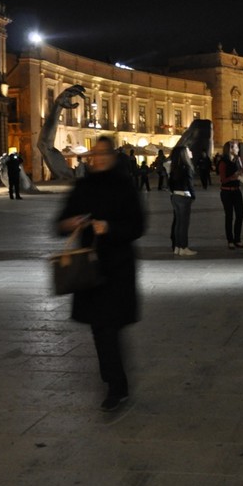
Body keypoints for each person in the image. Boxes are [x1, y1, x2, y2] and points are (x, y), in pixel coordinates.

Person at [57, 136, 146, 412]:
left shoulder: (125, 186)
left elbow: (138, 226)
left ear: (113, 156)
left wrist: (109, 228)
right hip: (89, 270)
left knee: (109, 328)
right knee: (101, 329)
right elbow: (59, 223)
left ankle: (116, 384)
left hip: (118, 267)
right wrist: (69, 222)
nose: (98, 158)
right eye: (95, 154)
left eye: (104, 153)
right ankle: (114, 382)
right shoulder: (82, 186)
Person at [218, 140, 243, 249]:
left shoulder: (238, 159)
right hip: (226, 191)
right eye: (236, 147)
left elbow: (240, 172)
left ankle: (237, 239)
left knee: (240, 215)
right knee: (229, 216)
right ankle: (230, 240)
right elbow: (223, 179)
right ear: (230, 149)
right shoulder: (223, 162)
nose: (238, 149)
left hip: (236, 190)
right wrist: (233, 177)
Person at [167, 145, 196, 256]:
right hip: (184, 196)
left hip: (175, 196)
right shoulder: (186, 167)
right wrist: (193, 196)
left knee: (178, 223)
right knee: (184, 224)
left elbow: (170, 183)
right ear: (184, 153)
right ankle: (183, 247)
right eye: (188, 150)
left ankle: (177, 247)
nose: (190, 151)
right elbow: (189, 184)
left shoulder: (174, 167)